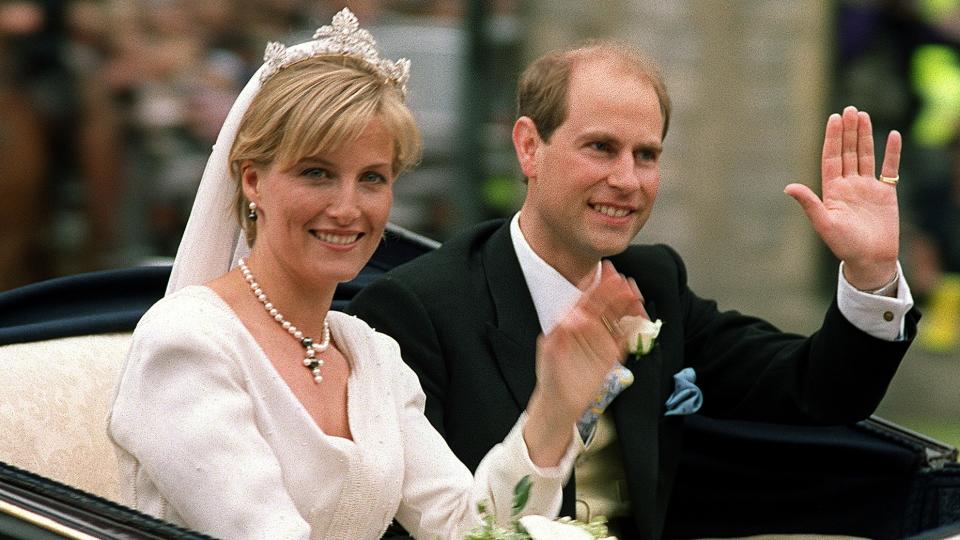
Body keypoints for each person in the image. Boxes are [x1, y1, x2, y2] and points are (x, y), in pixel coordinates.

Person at [347, 40, 920, 539]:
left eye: (646, 155)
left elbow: (816, 390)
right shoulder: (414, 311)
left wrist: (871, 270)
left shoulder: (654, 285)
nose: (627, 180)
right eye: (601, 147)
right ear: (529, 147)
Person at [108, 11, 645, 540]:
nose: (347, 208)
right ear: (253, 181)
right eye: (317, 173)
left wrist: (552, 410)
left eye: (371, 179)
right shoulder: (189, 342)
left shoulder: (370, 356)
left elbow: (467, 529)